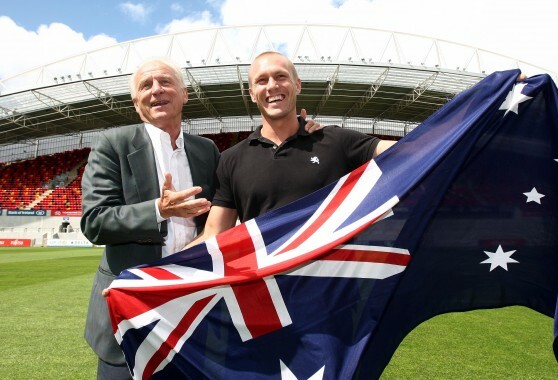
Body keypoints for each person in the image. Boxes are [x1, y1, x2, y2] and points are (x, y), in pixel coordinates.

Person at [81, 56, 322, 379]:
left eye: (165, 82)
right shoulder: (114, 145)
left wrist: (301, 133)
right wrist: (158, 210)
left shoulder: (206, 150)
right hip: (131, 311)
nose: (156, 90)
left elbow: (245, 175)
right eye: (146, 86)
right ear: (136, 101)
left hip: (194, 310)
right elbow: (95, 221)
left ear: (184, 94)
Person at [186, 51, 397, 245]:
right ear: (251, 93)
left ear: (297, 85)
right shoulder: (231, 159)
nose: (272, 86)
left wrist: (431, 134)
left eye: (280, 76)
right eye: (262, 80)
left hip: (336, 280)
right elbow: (214, 234)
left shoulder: (337, 140)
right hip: (271, 283)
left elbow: (409, 151)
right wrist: (156, 274)